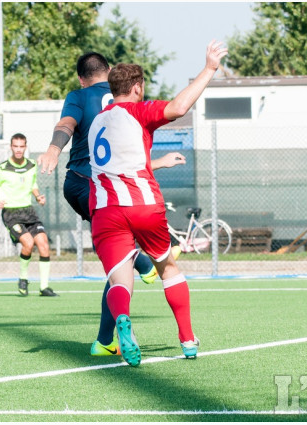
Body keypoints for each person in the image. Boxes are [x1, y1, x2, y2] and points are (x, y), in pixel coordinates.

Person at [87, 40, 228, 366]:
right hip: (142, 205)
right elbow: (178, 108)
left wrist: (158, 162)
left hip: (105, 211)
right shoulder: (137, 110)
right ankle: (188, 340)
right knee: (167, 267)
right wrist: (208, 69)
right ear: (137, 87)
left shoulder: (96, 124)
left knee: (120, 280)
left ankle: (123, 320)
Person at [37, 52, 185, 357]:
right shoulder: (127, 103)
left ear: (81, 78)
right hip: (104, 189)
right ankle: (147, 265)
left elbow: (66, 124)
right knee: (125, 262)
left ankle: (106, 339)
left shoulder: (78, 97)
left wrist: (53, 149)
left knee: (119, 263)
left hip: (81, 186)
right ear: (111, 73)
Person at [0, 133, 57, 297]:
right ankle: (23, 279)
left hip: (29, 211)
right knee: (28, 243)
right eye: (15, 146)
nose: (18, 150)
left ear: (25, 147)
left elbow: (33, 184)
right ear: (11, 147)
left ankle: (44, 287)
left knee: (44, 244)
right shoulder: (2, 168)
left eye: (21, 146)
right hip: (11, 213)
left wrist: (38, 196)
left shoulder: (31, 165)